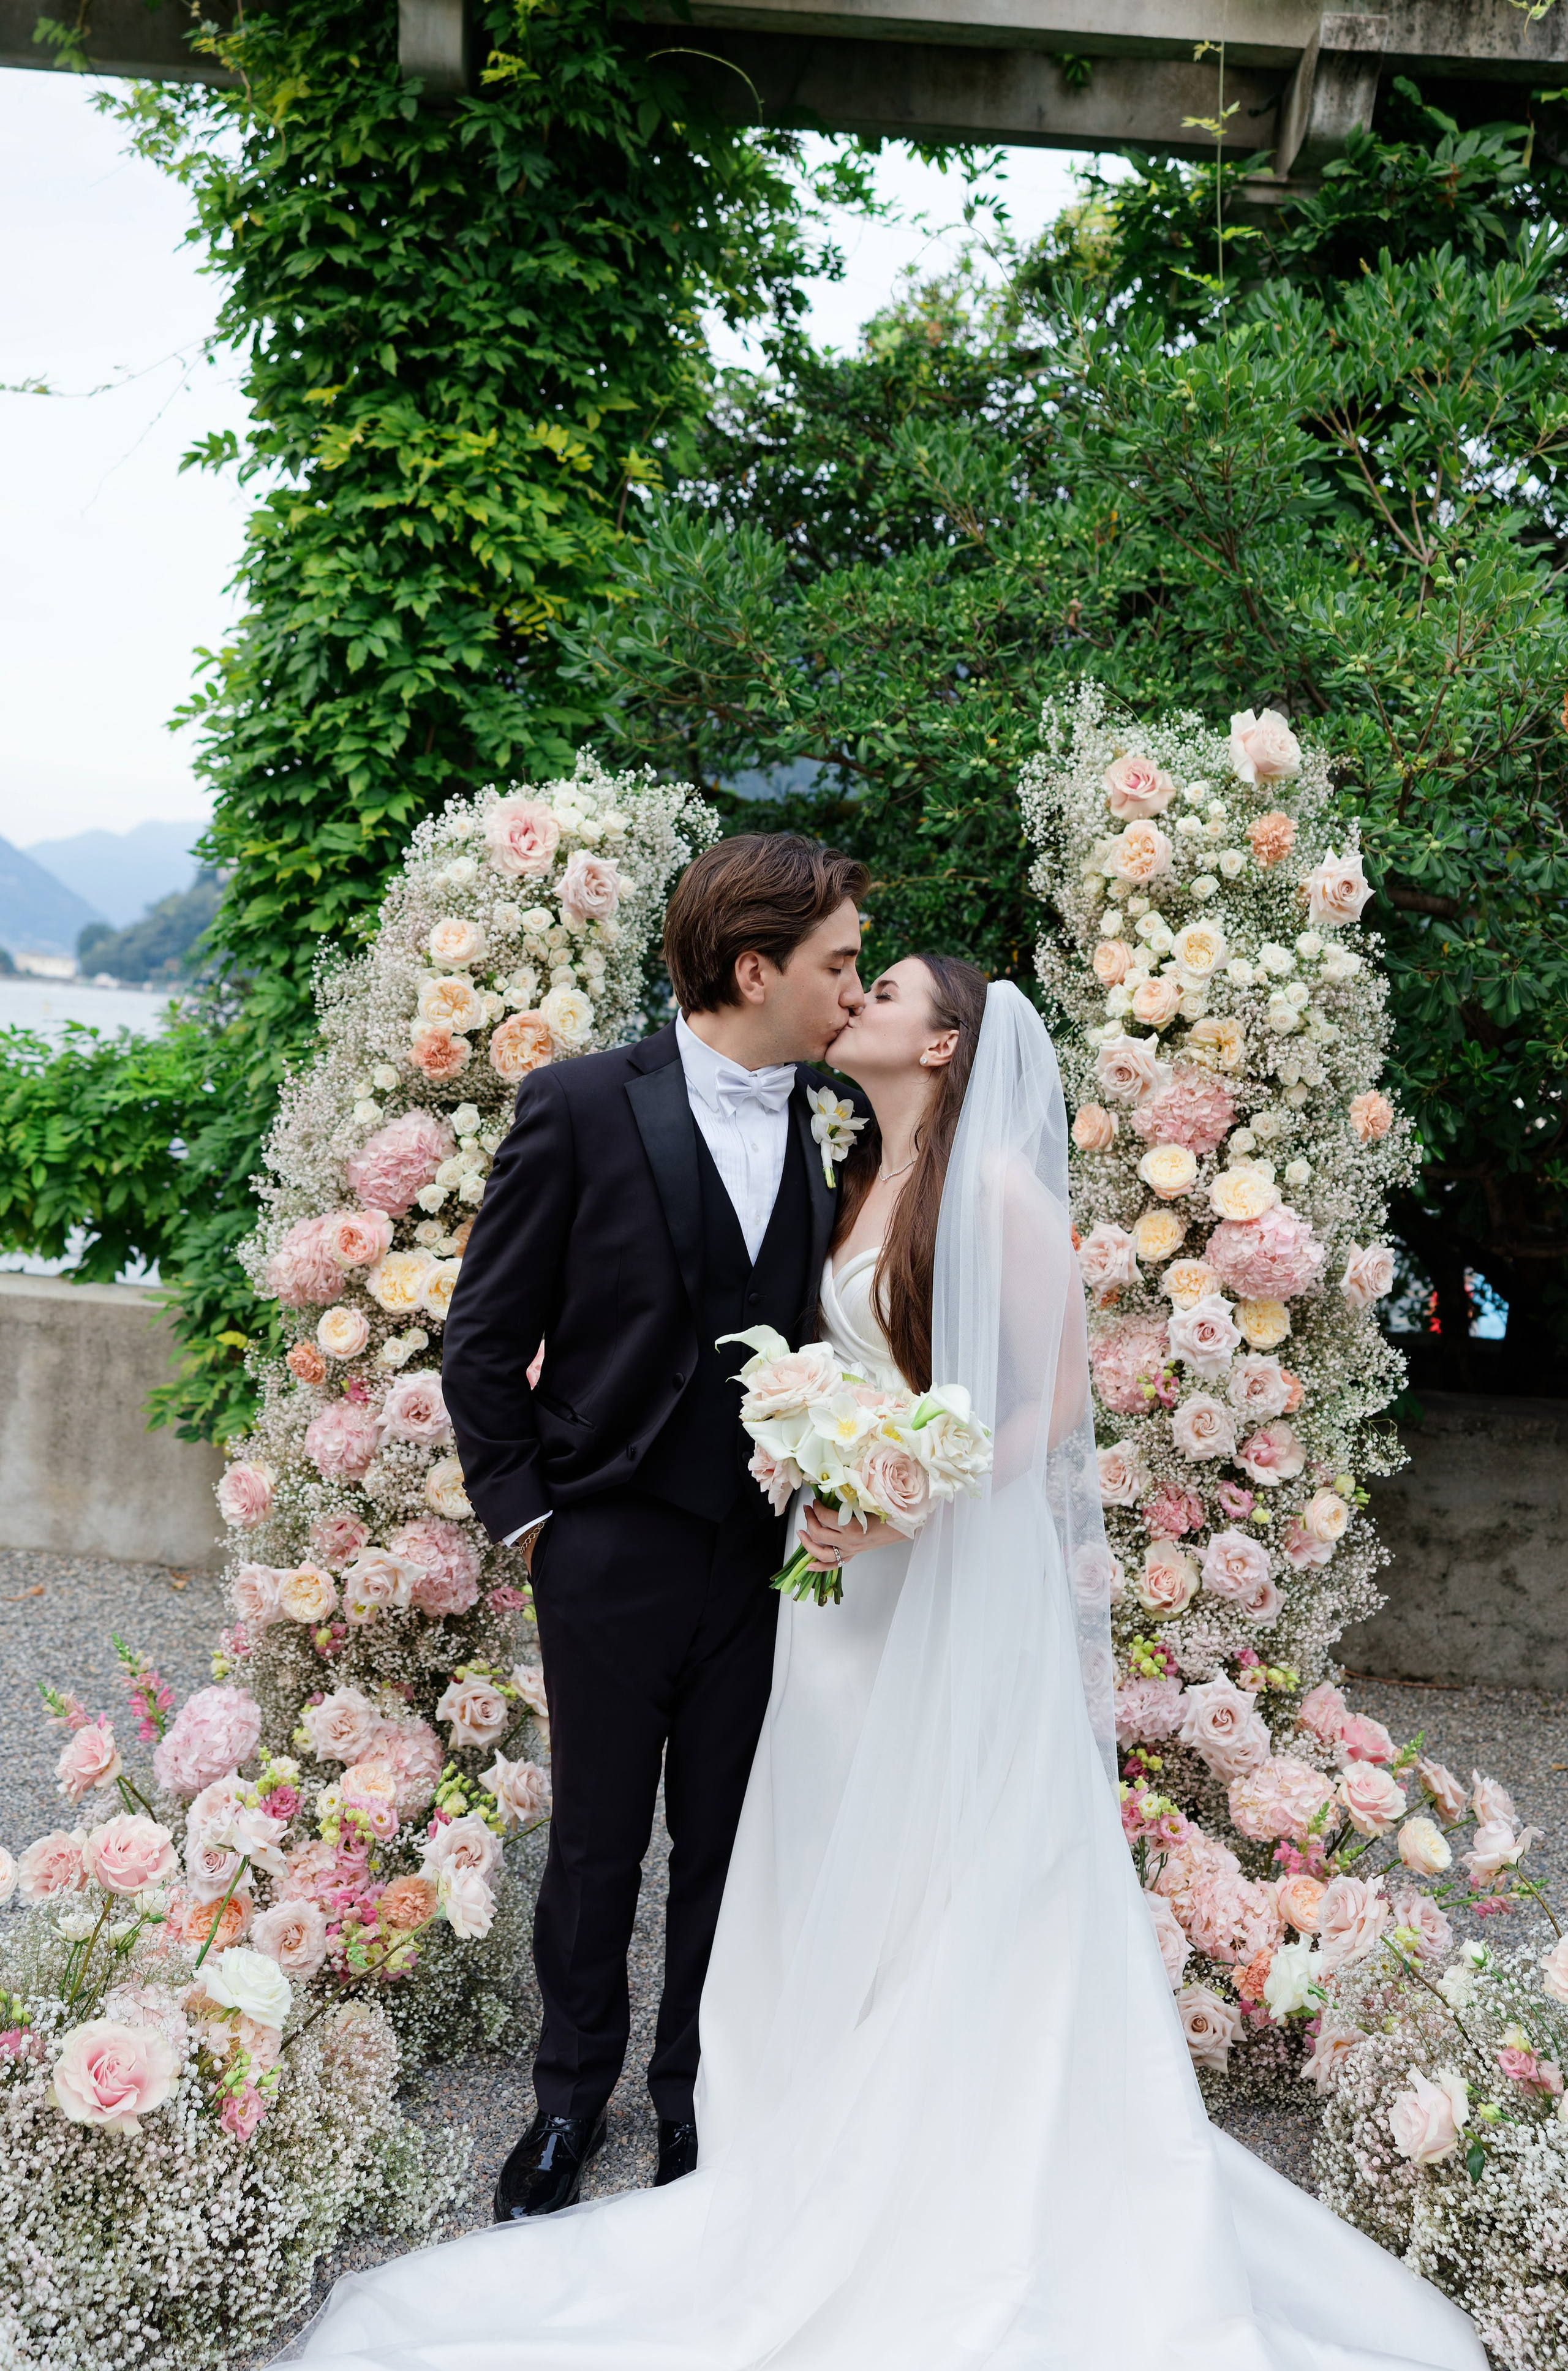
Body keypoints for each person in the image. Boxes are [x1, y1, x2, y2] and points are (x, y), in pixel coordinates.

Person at [284, 958, 1486, 2371]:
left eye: (885, 982)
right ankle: (751, 2097)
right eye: (845, 966)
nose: (852, 993)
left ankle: (928, 2128)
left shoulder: (992, 1193)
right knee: (795, 1832)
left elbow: (1056, 1398)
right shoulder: (845, 1165)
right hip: (824, 1579)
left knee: (949, 1854)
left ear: (948, 1039)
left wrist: (918, 1486)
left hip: (934, 1568)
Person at [440, 832, 869, 2217]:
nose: (853, 992)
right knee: (593, 1841)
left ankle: (698, 2098)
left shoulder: (829, 1119)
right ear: (755, 966)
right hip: (605, 1540)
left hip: (759, 1554)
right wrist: (530, 1525)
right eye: (836, 964)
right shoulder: (576, 1103)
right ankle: (567, 2100)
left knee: (728, 1839)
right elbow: (482, 1337)